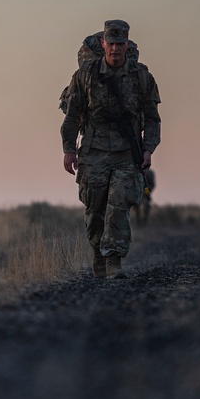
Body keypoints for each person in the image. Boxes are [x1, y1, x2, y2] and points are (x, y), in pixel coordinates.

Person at [61, 20, 162, 279]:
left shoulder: (141, 76)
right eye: (111, 43)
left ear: (127, 45)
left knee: (118, 206)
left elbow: (152, 118)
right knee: (94, 210)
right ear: (104, 44)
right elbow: (72, 116)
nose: (116, 49)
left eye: (120, 44)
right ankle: (98, 256)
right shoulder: (85, 75)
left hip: (127, 152)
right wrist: (69, 149)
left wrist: (148, 148)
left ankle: (114, 261)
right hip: (93, 151)